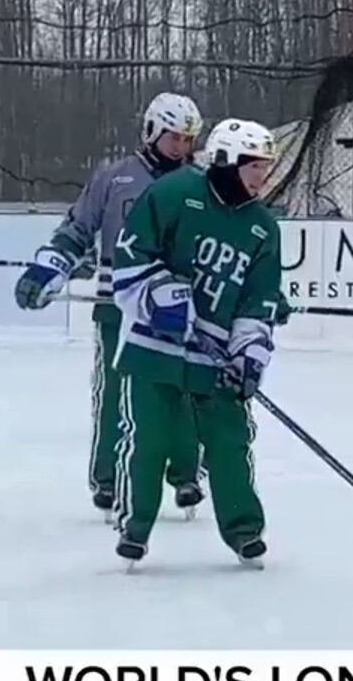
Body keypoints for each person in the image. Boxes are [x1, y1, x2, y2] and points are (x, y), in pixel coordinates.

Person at [14, 92, 208, 522]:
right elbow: (78, 230)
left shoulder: (201, 184)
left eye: (188, 139)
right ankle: (108, 478)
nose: (181, 146)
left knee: (183, 390)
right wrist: (50, 269)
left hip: (180, 309)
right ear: (151, 131)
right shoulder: (114, 178)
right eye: (174, 137)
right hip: (119, 308)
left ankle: (185, 473)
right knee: (116, 395)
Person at [109, 119, 291, 568]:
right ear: (227, 161)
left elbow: (258, 300)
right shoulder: (174, 193)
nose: (263, 176)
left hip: (215, 358)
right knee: (150, 441)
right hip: (153, 348)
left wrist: (248, 355)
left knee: (230, 443)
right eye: (255, 166)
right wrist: (158, 295)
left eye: (266, 166)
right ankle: (135, 528)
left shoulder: (263, 228)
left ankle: (244, 531)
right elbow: (131, 253)